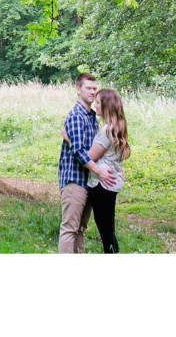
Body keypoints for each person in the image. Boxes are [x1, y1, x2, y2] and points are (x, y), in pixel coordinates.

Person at [57, 72, 116, 253]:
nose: (92, 92)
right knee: (69, 228)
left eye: (94, 89)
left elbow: (94, 148)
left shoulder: (91, 116)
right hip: (75, 179)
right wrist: (98, 171)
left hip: (88, 180)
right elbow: (78, 152)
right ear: (78, 89)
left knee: (80, 229)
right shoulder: (76, 115)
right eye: (88, 88)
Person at [84, 88, 130, 253]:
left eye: (97, 102)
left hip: (102, 184)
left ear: (106, 106)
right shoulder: (118, 126)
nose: (94, 105)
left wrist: (71, 141)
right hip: (112, 183)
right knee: (109, 228)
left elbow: (89, 157)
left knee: (105, 230)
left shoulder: (106, 131)